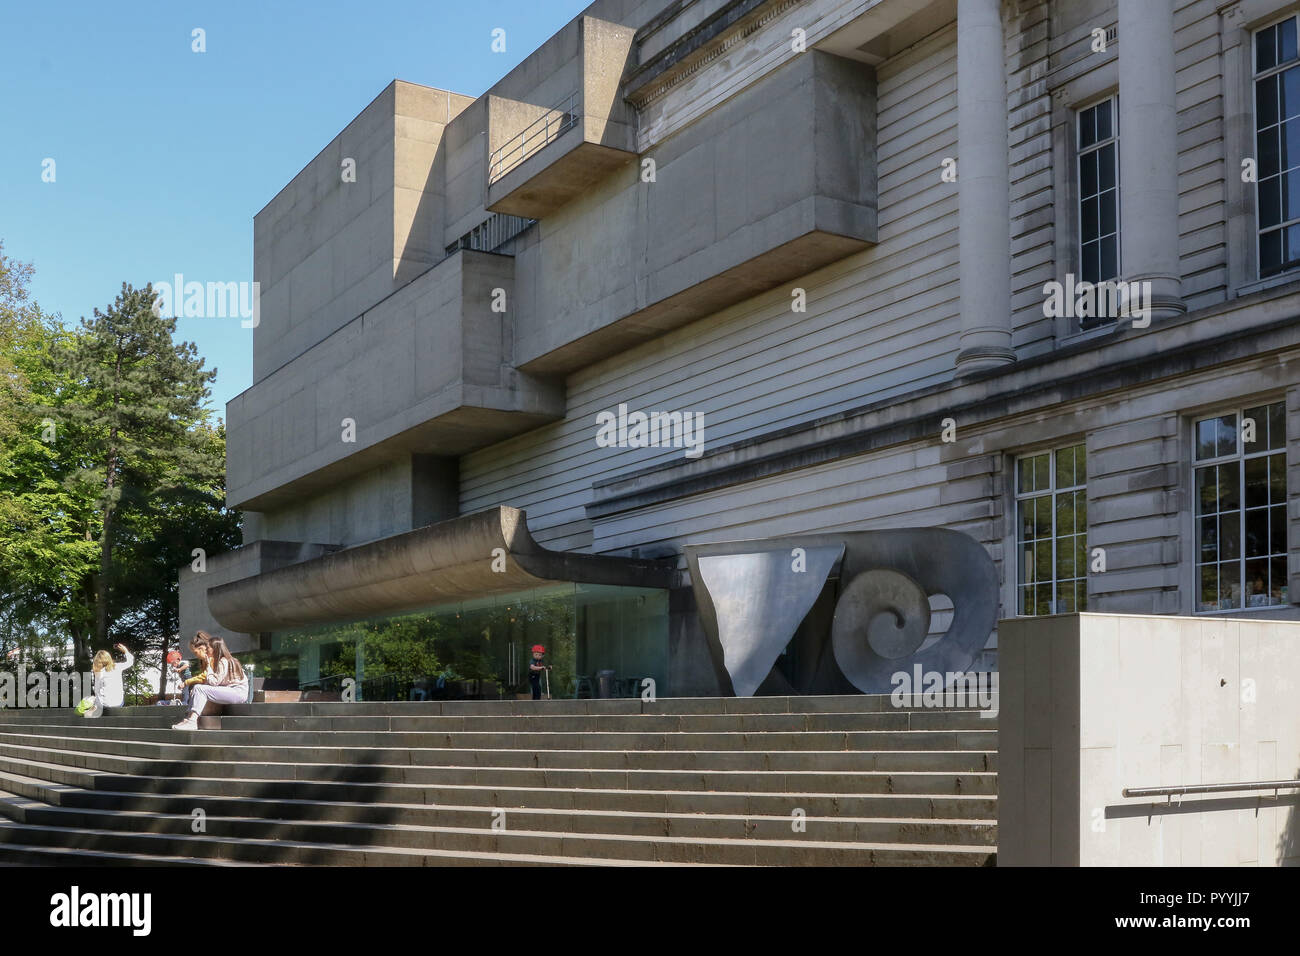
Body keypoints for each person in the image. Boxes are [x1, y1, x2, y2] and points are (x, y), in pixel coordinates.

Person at [171, 633, 247, 731]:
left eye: (208, 648)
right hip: (232, 691)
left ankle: (192, 721)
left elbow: (213, 682)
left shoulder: (223, 661)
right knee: (197, 688)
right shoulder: (222, 660)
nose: (207, 650)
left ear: (215, 648)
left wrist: (209, 668)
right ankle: (188, 718)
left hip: (237, 692)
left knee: (199, 688)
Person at [85, 643, 133, 718]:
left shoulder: (99, 673)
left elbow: (97, 691)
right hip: (118, 703)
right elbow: (130, 662)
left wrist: (94, 704)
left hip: (105, 705)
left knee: (87, 712)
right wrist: (125, 651)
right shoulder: (117, 667)